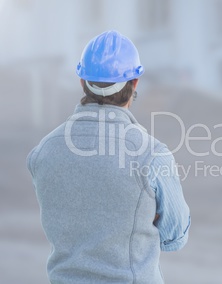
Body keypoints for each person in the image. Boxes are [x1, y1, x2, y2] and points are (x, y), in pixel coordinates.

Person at [27, 30, 190, 284]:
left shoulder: (43, 152)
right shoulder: (152, 155)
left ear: (82, 82)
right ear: (135, 83)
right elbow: (175, 237)